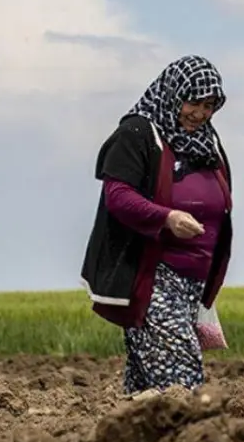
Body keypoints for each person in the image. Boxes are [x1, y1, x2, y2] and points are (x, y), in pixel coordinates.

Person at [80, 55, 235, 395]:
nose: (200, 113)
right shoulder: (137, 134)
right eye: (193, 102)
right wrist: (167, 218)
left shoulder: (208, 143)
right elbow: (118, 196)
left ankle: (130, 441)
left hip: (193, 284)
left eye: (209, 105)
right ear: (173, 94)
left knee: (145, 386)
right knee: (181, 380)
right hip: (152, 278)